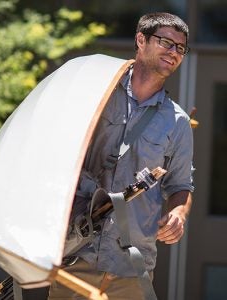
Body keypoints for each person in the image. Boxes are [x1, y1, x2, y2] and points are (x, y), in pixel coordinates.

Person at [48, 12, 194, 300]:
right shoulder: (95, 94)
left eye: (180, 48)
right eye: (166, 42)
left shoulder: (177, 122)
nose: (174, 52)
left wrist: (179, 213)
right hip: (75, 256)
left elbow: (181, 186)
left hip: (130, 268)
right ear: (141, 39)